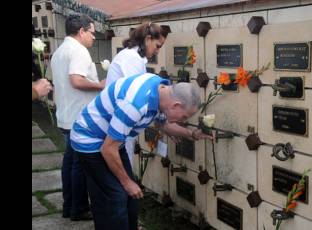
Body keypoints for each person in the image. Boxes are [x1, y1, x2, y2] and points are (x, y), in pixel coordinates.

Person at [70, 72, 212, 230]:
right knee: (115, 197)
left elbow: (163, 124)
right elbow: (108, 149)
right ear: (176, 105)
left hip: (113, 141)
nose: (183, 121)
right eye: (184, 117)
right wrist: (127, 182)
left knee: (130, 196)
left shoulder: (161, 91)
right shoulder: (136, 105)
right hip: (90, 140)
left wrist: (192, 134)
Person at [50, 14, 105, 221]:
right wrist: (100, 85)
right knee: (80, 165)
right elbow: (76, 80)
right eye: (92, 32)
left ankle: (69, 206)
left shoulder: (60, 51)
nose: (93, 37)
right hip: (78, 118)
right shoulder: (79, 50)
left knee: (69, 162)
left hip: (65, 114)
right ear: (81, 31)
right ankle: (79, 209)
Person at [105, 22, 169, 172]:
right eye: (158, 46)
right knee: (121, 176)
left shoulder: (133, 56)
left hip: (121, 123)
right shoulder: (131, 59)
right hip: (117, 125)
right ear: (148, 39)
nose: (158, 51)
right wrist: (162, 119)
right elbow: (137, 95)